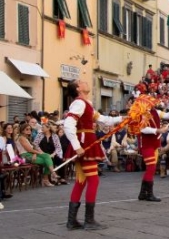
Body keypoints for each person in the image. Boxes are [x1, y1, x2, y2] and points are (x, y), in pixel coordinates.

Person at [63, 79, 122, 230]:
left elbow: (104, 120)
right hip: (84, 144)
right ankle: (89, 221)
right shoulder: (79, 103)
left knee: (81, 181)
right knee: (93, 181)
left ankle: (72, 221)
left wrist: (124, 118)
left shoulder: (86, 103)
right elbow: (68, 124)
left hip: (85, 143)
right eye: (81, 81)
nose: (85, 81)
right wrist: (77, 146)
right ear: (78, 88)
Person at [138, 106, 169, 202]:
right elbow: (142, 129)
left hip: (154, 144)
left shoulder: (155, 111)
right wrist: (158, 130)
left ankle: (143, 193)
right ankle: (149, 194)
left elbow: (166, 115)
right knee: (151, 167)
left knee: (151, 168)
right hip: (146, 145)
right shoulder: (140, 113)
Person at [16, 123, 58, 187]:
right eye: (27, 129)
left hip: (31, 154)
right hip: (25, 156)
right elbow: (29, 150)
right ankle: (47, 177)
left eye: (30, 129)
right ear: (22, 130)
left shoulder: (27, 138)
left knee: (47, 156)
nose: (29, 130)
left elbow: (34, 148)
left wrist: (36, 153)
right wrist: (39, 153)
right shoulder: (21, 138)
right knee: (47, 160)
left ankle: (50, 174)